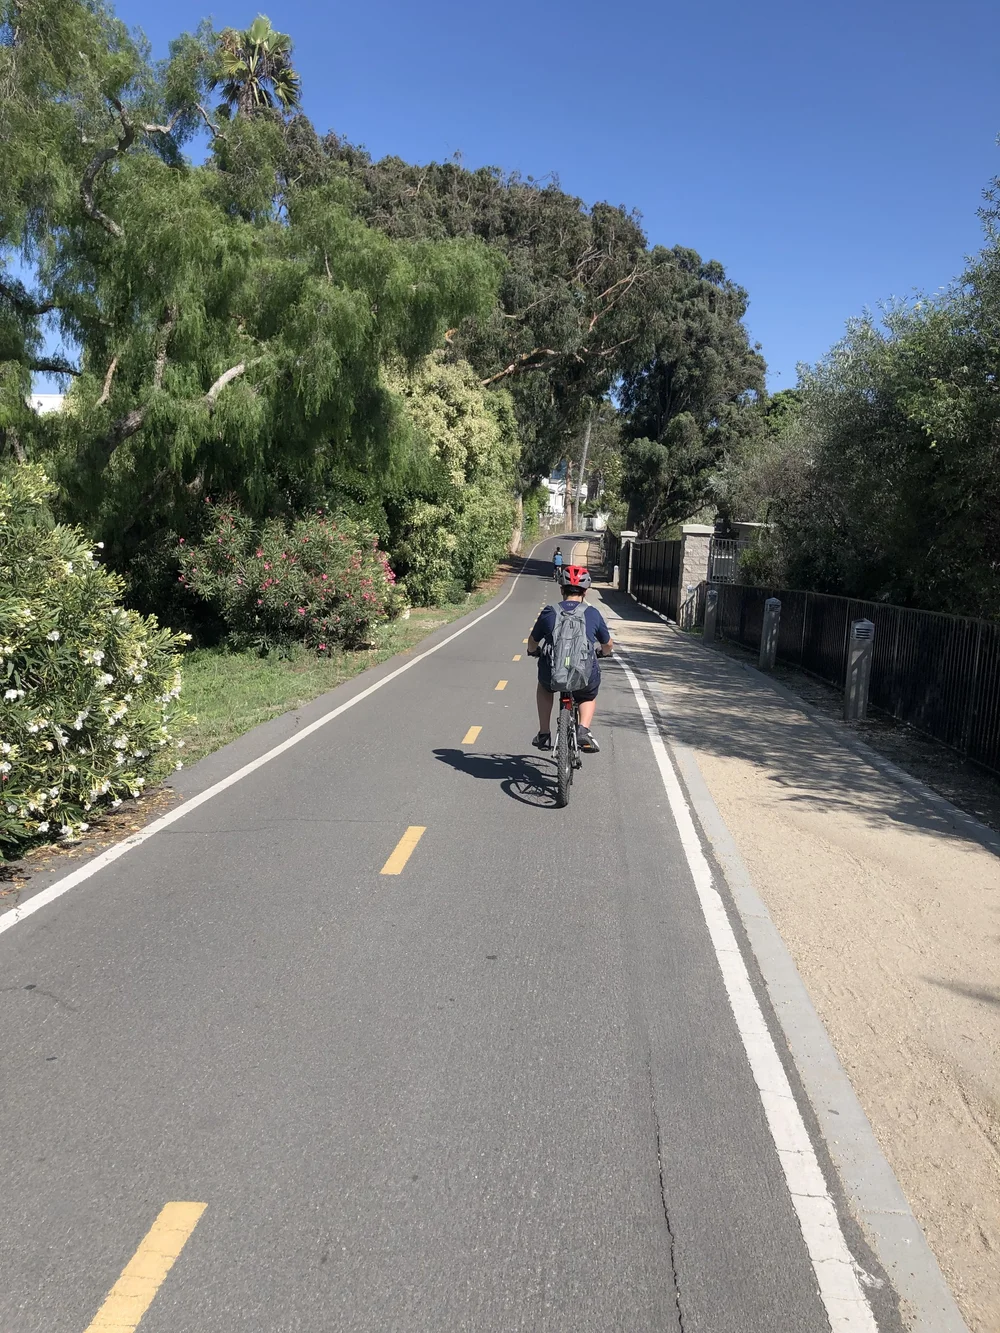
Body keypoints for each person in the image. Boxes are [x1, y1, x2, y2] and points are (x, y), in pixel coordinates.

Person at [527, 565, 612, 753]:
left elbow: (532, 642)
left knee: (544, 687)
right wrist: (603, 652)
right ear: (585, 591)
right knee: (588, 694)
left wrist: (533, 651)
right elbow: (607, 644)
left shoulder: (550, 611)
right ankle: (583, 729)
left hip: (552, 672)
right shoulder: (592, 613)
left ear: (561, 590)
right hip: (583, 673)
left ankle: (544, 734)